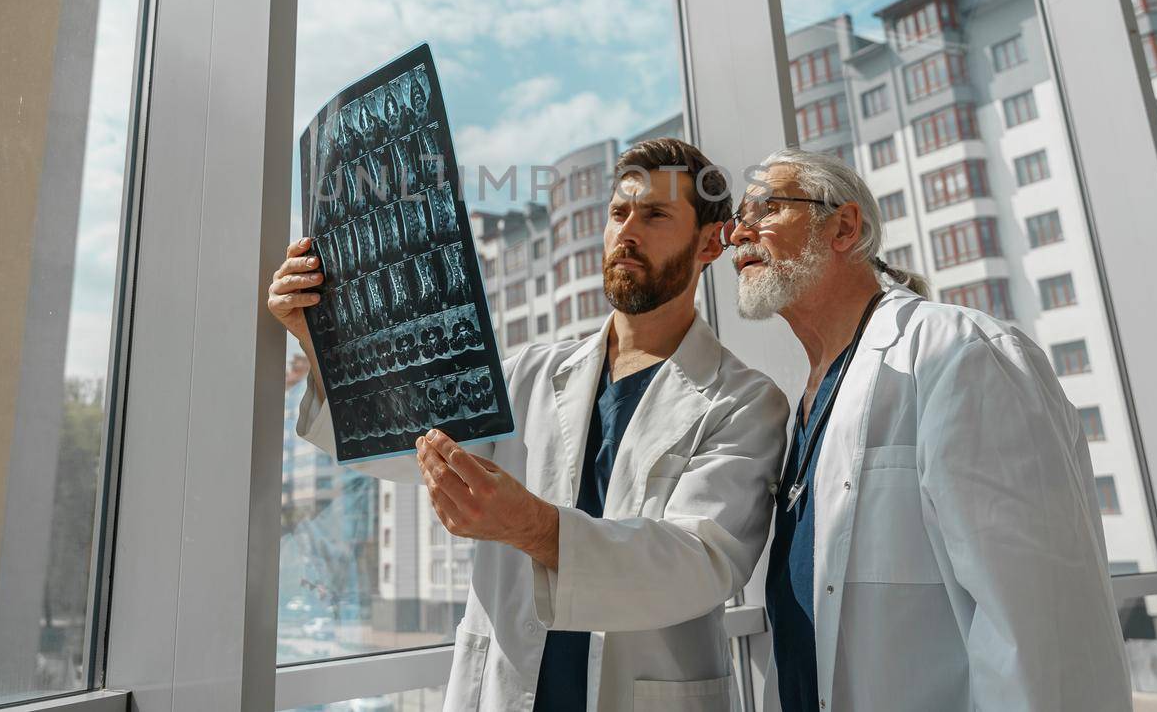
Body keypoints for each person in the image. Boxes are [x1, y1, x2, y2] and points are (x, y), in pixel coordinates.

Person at [269, 138, 789, 712]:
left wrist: (535, 528)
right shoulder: (530, 373)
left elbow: (699, 563)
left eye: (656, 215)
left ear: (710, 243)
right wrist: (320, 342)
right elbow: (407, 446)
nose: (627, 232)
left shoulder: (745, 401)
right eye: (619, 213)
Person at [727, 148, 1131, 712]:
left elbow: (1042, 622)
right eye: (735, 219)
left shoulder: (958, 352)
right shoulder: (807, 402)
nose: (738, 233)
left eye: (765, 209)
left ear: (843, 226)